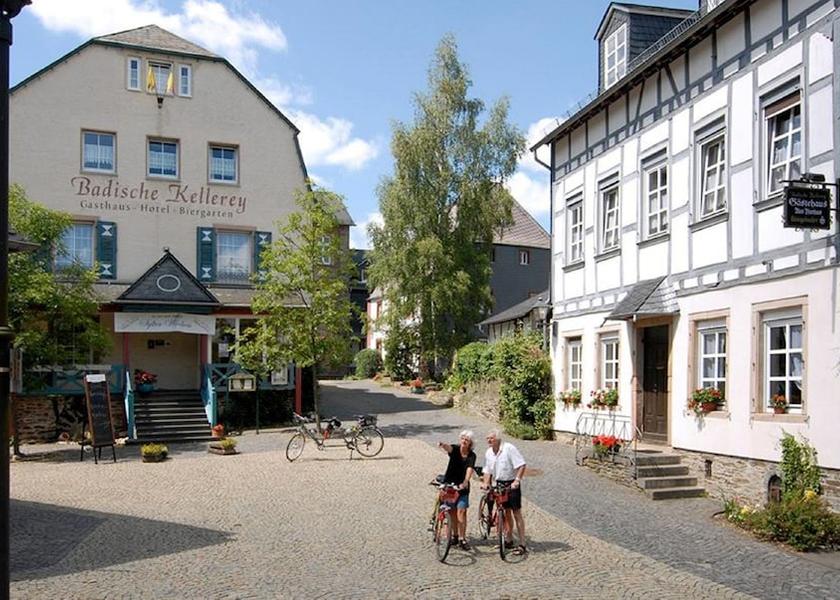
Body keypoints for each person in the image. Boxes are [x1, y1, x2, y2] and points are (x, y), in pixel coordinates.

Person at [482, 428, 527, 555]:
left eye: (491, 438)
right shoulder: (489, 452)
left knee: (516, 512)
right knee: (506, 513)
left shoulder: (509, 448)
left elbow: (522, 465)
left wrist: (517, 480)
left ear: (498, 439)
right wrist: (486, 483)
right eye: (487, 438)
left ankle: (522, 543)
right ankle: (508, 539)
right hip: (499, 484)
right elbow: (487, 470)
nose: (489, 440)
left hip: (511, 483)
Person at [437, 430, 476, 550]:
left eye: (467, 440)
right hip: (450, 483)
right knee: (452, 512)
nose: (464, 441)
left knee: (462, 511)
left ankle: (462, 538)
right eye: (462, 438)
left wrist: (466, 481)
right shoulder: (455, 449)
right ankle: (454, 535)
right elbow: (449, 448)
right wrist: (443, 445)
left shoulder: (471, 455)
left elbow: (470, 468)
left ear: (470, 443)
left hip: (462, 486)